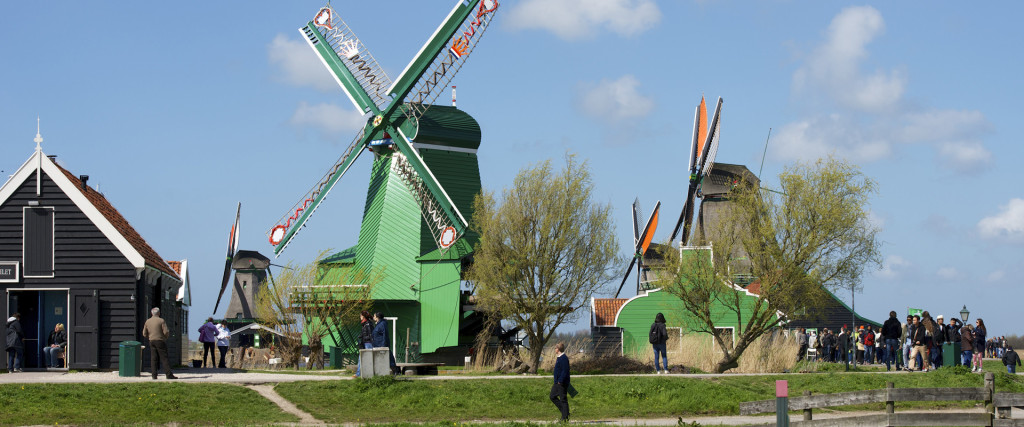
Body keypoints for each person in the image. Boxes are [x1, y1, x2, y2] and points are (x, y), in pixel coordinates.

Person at [142, 307, 176, 379]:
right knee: (164, 358)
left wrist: (150, 337)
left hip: (151, 341)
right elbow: (166, 331)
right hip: (160, 340)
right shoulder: (161, 320)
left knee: (153, 358)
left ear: (151, 313)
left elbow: (144, 333)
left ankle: (154, 375)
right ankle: (168, 374)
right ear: (159, 313)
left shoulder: (147, 321)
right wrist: (165, 337)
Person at [550, 342, 571, 422]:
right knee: (552, 396)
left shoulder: (564, 358)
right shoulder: (559, 357)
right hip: (557, 382)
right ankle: (565, 412)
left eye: (555, 348)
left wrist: (560, 380)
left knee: (563, 399)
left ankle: (565, 418)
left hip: (561, 382)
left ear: (558, 349)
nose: (554, 349)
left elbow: (565, 370)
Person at [354, 310, 373, 377]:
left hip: (368, 343)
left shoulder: (368, 324)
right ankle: (358, 373)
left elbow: (371, 335)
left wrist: (365, 337)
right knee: (360, 357)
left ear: (363, 316)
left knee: (367, 358)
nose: (360, 317)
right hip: (364, 343)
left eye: (360, 315)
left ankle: (364, 373)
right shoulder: (364, 324)